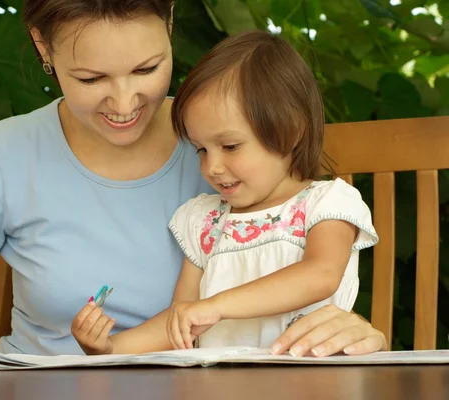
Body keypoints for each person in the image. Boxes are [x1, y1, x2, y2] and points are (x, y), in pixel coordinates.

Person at [0, 1, 386, 362]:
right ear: (43, 46)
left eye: (147, 68)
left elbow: (309, 267)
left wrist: (362, 336)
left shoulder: (235, 136)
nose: (126, 103)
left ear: (171, 23)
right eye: (91, 79)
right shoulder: (7, 151)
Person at [71, 30, 380, 357]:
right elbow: (181, 320)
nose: (212, 167)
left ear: (291, 131)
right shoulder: (205, 221)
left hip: (310, 383)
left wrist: (216, 306)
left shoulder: (326, 203)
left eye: (230, 146)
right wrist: (109, 347)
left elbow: (321, 275)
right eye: (201, 149)